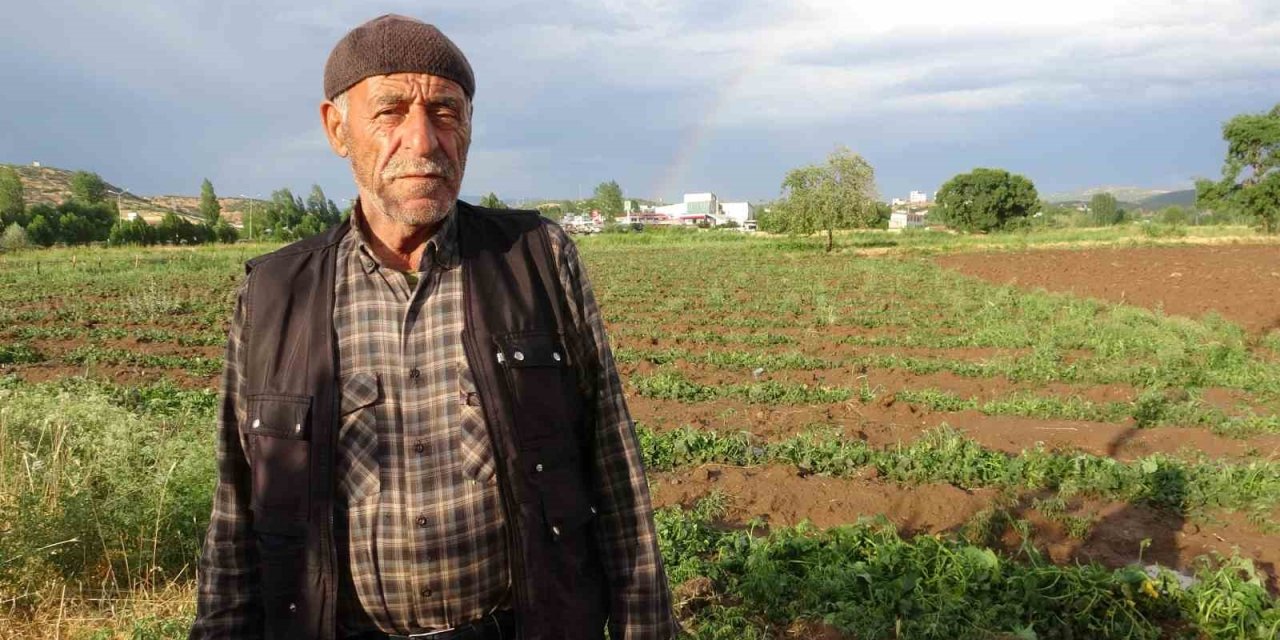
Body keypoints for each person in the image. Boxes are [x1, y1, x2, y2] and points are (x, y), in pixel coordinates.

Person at [189, 14, 678, 640]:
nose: (423, 141)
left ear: (469, 128)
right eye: (390, 111)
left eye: (446, 112)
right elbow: (236, 511)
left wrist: (648, 626)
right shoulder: (273, 294)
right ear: (337, 129)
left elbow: (614, 467)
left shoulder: (537, 260)